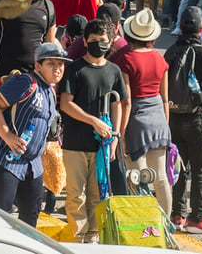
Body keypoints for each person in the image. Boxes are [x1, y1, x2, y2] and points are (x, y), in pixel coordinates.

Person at [0, 42, 69, 226]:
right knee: (0, 215)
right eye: (51, 64)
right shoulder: (25, 82)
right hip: (4, 159)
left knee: (30, 216)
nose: (57, 69)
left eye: (60, 64)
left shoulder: (51, 91)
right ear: (38, 65)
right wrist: (7, 135)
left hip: (32, 164)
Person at [59, 19, 128, 243]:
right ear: (85, 42)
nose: (99, 44)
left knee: (98, 194)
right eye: (94, 40)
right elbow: (66, 103)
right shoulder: (74, 68)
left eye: (103, 41)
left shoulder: (114, 70)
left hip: (103, 145)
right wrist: (93, 122)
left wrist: (116, 139)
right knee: (75, 195)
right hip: (75, 143)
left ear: (110, 42)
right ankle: (78, 239)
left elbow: (119, 105)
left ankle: (93, 238)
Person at [164, 7, 202, 234]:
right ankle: (198, 217)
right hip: (198, 118)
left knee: (177, 167)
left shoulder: (170, 52)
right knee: (199, 169)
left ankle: (177, 214)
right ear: (200, 28)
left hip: (174, 117)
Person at [115, 8, 173, 218]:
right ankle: (166, 223)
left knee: (137, 176)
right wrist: (165, 123)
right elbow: (165, 98)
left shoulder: (125, 60)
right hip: (158, 118)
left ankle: (143, 223)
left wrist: (120, 134)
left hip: (136, 120)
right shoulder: (160, 58)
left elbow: (127, 101)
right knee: (160, 177)